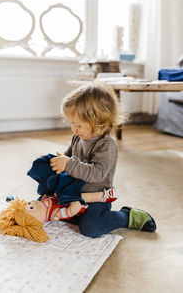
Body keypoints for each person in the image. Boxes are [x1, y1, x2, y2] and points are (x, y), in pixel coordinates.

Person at [49, 81, 156, 237]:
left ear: (98, 121)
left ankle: (125, 216)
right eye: (71, 124)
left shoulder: (106, 145)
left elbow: (97, 173)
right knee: (49, 207)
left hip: (96, 198)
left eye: (78, 125)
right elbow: (68, 156)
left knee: (91, 228)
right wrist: (54, 161)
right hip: (74, 193)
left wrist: (68, 164)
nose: (73, 129)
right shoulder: (77, 137)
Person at [0, 188, 117, 243]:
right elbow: (72, 210)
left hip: (82, 187)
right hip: (88, 205)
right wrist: (71, 201)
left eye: (29, 204)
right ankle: (104, 196)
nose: (33, 203)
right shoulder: (54, 214)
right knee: (89, 226)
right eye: (32, 207)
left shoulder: (41, 203)